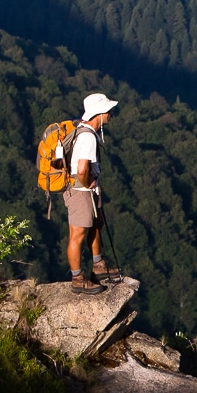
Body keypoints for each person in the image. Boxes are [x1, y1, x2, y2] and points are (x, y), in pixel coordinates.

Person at [65, 92, 120, 294]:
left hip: (84, 190)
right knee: (78, 234)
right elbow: (81, 169)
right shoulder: (88, 137)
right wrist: (89, 184)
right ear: (100, 113)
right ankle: (77, 279)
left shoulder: (85, 131)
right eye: (108, 110)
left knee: (95, 225)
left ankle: (98, 265)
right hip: (80, 191)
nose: (111, 113)